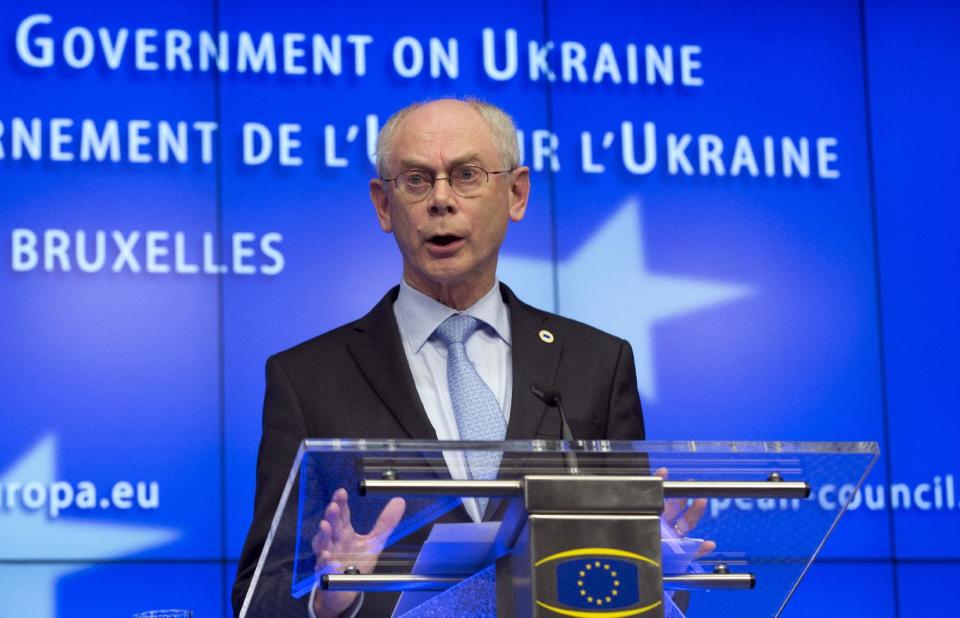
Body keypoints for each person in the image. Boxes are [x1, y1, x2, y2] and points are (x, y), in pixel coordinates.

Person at [233, 98, 704, 617]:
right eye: (415, 179)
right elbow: (259, 594)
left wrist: (662, 565)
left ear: (516, 193)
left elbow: (632, 572)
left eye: (466, 175)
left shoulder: (595, 364)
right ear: (383, 206)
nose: (441, 200)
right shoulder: (309, 380)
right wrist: (332, 598)